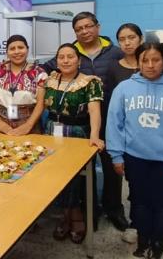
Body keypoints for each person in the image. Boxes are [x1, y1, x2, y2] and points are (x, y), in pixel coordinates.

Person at [106, 42, 163, 259]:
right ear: (138, 62)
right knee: (139, 201)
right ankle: (144, 241)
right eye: (145, 60)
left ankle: (159, 244)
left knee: (162, 204)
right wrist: (116, 155)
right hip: (135, 158)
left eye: (156, 60)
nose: (150, 65)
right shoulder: (124, 88)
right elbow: (114, 124)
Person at [44, 12, 125, 229]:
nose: (84, 31)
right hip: (71, 122)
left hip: (108, 117)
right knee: (68, 173)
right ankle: (83, 212)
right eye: (79, 28)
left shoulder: (115, 53)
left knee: (110, 167)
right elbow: (45, 70)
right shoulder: (69, 51)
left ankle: (113, 209)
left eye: (88, 26)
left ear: (98, 27)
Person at [44, 43, 105, 244]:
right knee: (56, 176)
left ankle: (77, 216)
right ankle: (64, 215)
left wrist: (94, 135)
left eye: (70, 57)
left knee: (77, 178)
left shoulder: (89, 82)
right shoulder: (51, 80)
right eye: (61, 57)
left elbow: (95, 111)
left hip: (77, 133)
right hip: (52, 132)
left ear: (79, 60)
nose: (66, 60)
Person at [103, 23, 144, 235]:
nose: (127, 42)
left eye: (131, 37)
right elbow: (110, 101)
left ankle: (143, 220)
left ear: (140, 39)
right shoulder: (113, 66)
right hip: (120, 128)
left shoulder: (152, 65)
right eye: (122, 39)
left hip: (146, 131)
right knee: (116, 171)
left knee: (142, 180)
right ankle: (114, 210)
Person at [0, 35, 46, 135]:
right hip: (1, 123)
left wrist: (28, 126)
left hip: (29, 125)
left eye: (21, 47)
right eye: (12, 49)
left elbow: (41, 103)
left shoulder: (39, 73)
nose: (17, 52)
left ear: (27, 49)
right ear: (7, 52)